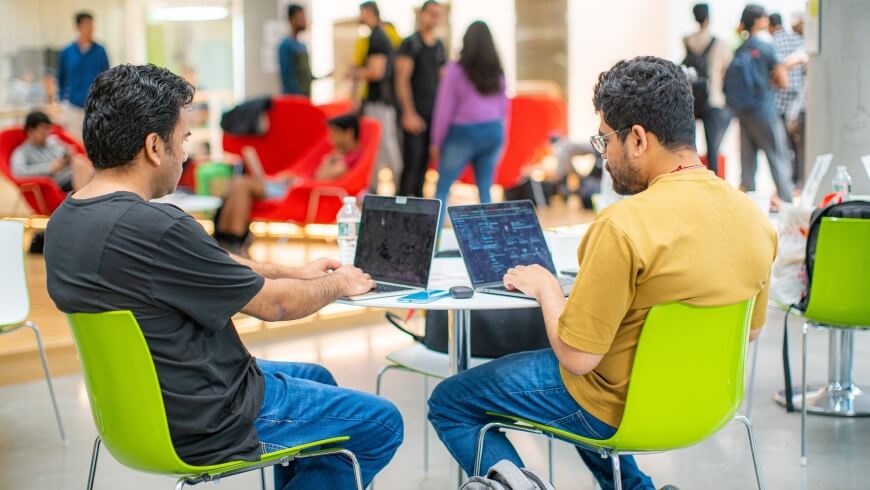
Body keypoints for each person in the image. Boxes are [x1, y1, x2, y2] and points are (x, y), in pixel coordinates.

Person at [44, 65, 400, 490]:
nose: (186, 152)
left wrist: (295, 271)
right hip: (211, 415)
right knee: (382, 422)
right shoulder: (157, 227)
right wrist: (339, 283)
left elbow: (213, 263)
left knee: (318, 378)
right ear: (154, 146)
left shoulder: (67, 221)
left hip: (136, 410)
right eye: (184, 139)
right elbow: (276, 305)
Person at [427, 56, 776, 490]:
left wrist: (547, 289)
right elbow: (749, 331)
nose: (604, 156)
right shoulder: (756, 219)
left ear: (637, 139)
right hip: (707, 404)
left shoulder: (623, 226)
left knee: (450, 401)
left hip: (615, 408)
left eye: (604, 140)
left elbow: (577, 357)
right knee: (596, 366)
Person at [215, 113, 365, 253]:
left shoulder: (348, 158)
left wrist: (327, 161)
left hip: (301, 195)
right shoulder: (338, 156)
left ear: (349, 133)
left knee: (242, 185)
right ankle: (225, 237)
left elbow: (322, 177)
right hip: (295, 187)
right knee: (237, 182)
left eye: (334, 133)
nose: (330, 138)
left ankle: (232, 239)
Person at [431, 21, 508, 221]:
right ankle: (490, 247)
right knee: (485, 193)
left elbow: (444, 108)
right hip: (493, 131)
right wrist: (502, 139)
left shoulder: (455, 70)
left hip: (463, 133)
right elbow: (504, 108)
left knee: (442, 190)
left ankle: (432, 245)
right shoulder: (497, 71)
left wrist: (436, 142)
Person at [727, 5, 795, 202]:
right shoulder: (766, 46)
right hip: (765, 111)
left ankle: (747, 206)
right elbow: (784, 82)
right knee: (778, 158)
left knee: (747, 165)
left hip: (744, 112)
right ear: (758, 20)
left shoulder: (740, 48)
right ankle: (787, 202)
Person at [395, 0, 446, 197]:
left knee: (425, 165)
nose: (434, 18)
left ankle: (420, 215)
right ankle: (403, 213)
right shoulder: (411, 43)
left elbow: (443, 82)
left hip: (433, 114)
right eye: (430, 13)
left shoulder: (440, 46)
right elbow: (401, 80)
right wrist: (408, 113)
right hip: (414, 113)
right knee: (412, 163)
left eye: (437, 14)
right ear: (422, 14)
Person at [356, 1, 402, 193]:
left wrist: (355, 72)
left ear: (369, 12)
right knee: (375, 146)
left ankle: (400, 188)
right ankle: (374, 188)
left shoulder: (378, 38)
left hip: (380, 102)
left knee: (385, 145)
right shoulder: (378, 36)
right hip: (379, 102)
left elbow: (376, 72)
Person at [683, 3, 732, 175]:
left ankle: (691, 178)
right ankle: (713, 181)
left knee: (690, 147)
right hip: (713, 98)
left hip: (693, 99)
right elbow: (727, 70)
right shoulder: (720, 43)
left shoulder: (687, 40)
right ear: (709, 17)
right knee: (713, 148)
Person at [56, 11, 110, 142]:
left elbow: (107, 77)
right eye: (86, 25)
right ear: (78, 27)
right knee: (74, 142)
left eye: (92, 25)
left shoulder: (100, 51)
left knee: (95, 142)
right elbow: (61, 77)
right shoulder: (67, 52)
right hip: (73, 107)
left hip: (95, 106)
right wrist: (63, 99)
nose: (90, 29)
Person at [769, 12, 808, 187]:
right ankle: (799, 181)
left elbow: (779, 69)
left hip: (781, 103)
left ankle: (791, 182)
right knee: (799, 147)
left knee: (785, 148)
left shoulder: (773, 42)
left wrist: (779, 78)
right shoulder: (798, 41)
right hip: (798, 101)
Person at [11, 111, 92, 192]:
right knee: (81, 166)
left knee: (78, 160)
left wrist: (67, 156)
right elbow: (18, 172)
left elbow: (65, 151)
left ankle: (86, 197)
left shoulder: (52, 141)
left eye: (48, 128)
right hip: (57, 183)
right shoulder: (22, 152)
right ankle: (86, 197)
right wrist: (49, 168)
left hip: (71, 173)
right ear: (30, 131)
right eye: (43, 130)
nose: (47, 133)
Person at [278, 4, 313, 96]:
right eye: (301, 17)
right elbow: (288, 78)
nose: (305, 20)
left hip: (306, 99)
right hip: (294, 101)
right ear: (292, 19)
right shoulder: (286, 45)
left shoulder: (302, 46)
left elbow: (307, 77)